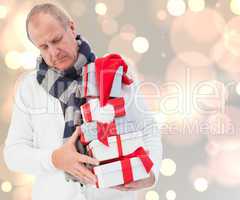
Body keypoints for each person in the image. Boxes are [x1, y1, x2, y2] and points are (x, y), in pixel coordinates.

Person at [3, 3, 162, 200]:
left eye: (57, 39)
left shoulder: (113, 72)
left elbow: (149, 130)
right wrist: (55, 159)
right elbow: (14, 154)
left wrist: (151, 175)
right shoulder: (30, 88)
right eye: (43, 47)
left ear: (71, 27)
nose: (54, 52)